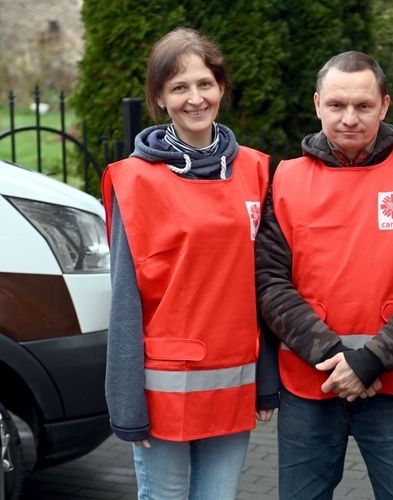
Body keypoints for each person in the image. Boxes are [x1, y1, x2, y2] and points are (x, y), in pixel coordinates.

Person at [255, 50, 393, 500]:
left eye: (363, 106)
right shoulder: (285, 179)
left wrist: (369, 361)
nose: (349, 118)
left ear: (384, 106)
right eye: (336, 105)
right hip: (312, 384)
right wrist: (335, 358)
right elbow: (270, 281)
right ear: (317, 105)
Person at [101, 27, 278, 500]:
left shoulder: (256, 170)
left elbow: (261, 284)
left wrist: (266, 379)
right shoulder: (133, 181)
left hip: (233, 379)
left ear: (221, 87)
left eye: (205, 83)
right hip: (163, 389)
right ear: (159, 98)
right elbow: (124, 298)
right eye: (179, 87)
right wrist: (126, 401)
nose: (195, 98)